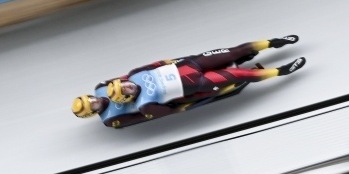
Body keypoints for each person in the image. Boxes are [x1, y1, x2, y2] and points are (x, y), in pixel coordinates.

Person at [71, 36, 305, 128]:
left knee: (234, 51)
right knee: (241, 75)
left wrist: (179, 60)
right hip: (197, 84)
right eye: (92, 105)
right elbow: (165, 112)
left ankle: (274, 42)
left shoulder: (127, 78)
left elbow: (155, 64)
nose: (127, 85)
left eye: (91, 99)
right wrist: (191, 103)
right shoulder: (142, 105)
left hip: (190, 65)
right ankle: (281, 71)